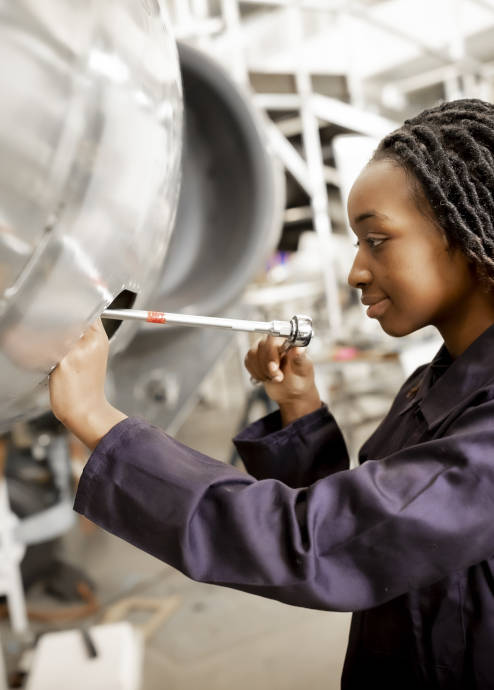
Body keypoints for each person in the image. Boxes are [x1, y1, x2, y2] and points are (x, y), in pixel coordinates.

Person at [49, 99, 494, 689]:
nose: (356, 270)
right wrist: (301, 416)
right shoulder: (439, 380)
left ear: (468, 234)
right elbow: (374, 530)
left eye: (377, 239)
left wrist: (100, 423)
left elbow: (316, 545)